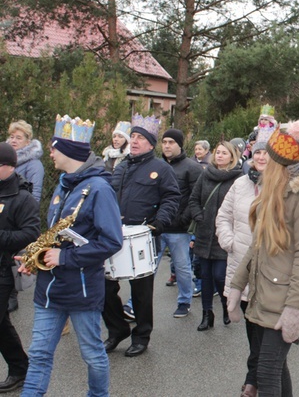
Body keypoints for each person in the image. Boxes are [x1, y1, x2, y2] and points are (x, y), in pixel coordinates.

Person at [17, 115, 122, 396]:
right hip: (48, 290)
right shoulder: (63, 184)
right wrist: (35, 256)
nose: (49, 152)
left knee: (92, 355)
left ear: (68, 151)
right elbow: (54, 234)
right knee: (38, 354)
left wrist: (63, 259)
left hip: (82, 290)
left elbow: (112, 241)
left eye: (53, 147)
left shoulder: (100, 189)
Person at [227, 120, 299, 396]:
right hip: (264, 293)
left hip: (285, 299)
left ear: (278, 165)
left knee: (267, 370)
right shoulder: (272, 193)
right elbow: (257, 246)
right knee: (274, 366)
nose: (259, 163)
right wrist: (237, 286)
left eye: (268, 160)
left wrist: (295, 308)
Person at [103, 114, 180, 357]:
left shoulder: (161, 168)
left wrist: (159, 223)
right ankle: (117, 330)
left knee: (141, 293)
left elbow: (172, 197)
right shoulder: (121, 166)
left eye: (140, 138)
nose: (134, 141)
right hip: (114, 236)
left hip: (143, 237)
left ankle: (142, 336)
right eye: (133, 137)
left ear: (150, 143)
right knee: (104, 287)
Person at [216, 135, 270, 397]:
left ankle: (254, 378)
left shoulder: (282, 185)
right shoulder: (239, 184)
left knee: (265, 326)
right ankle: (256, 375)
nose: (261, 157)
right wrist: (230, 242)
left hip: (269, 268)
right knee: (251, 324)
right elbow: (223, 216)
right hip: (241, 263)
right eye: (257, 153)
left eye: (266, 153)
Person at [189, 141, 243, 330]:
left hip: (225, 236)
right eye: (217, 152)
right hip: (204, 233)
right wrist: (199, 216)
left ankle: (225, 305)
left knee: (220, 275)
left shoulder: (239, 179)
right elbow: (194, 199)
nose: (219, 156)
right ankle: (207, 314)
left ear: (232, 156)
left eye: (224, 153)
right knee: (205, 276)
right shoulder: (205, 175)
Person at [0, 142, 40, 393]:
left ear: (8, 167)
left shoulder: (22, 197)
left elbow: (30, 233)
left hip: (4, 270)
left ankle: (19, 368)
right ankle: (21, 367)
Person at [160, 128, 203, 318]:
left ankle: (184, 301)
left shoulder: (191, 167)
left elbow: (196, 196)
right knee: (147, 268)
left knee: (182, 266)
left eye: (171, 142)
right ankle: (134, 305)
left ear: (179, 145)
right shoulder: (157, 166)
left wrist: (183, 219)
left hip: (179, 228)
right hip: (157, 227)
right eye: (164, 142)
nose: (167, 146)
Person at [7, 120, 44, 202]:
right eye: (12, 137)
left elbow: (35, 195)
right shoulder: (5, 161)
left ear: (27, 142)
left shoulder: (34, 164)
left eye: (18, 138)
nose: (13, 140)